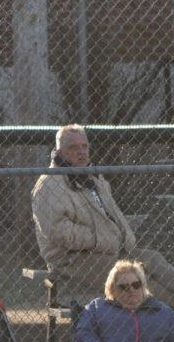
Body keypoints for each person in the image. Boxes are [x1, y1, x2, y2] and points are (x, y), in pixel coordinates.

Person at [32, 124, 174, 305]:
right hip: (72, 258)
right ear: (59, 152)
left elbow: (114, 214)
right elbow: (57, 231)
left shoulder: (92, 178)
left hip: (109, 250)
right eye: (73, 148)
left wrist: (125, 237)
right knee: (135, 277)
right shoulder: (49, 185)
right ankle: (164, 314)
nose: (81, 152)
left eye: (84, 146)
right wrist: (99, 238)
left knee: (153, 259)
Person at [72, 259, 174, 342]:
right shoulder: (97, 308)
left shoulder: (162, 310)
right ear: (112, 288)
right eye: (124, 286)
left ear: (143, 285)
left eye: (136, 285)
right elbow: (82, 334)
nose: (131, 290)